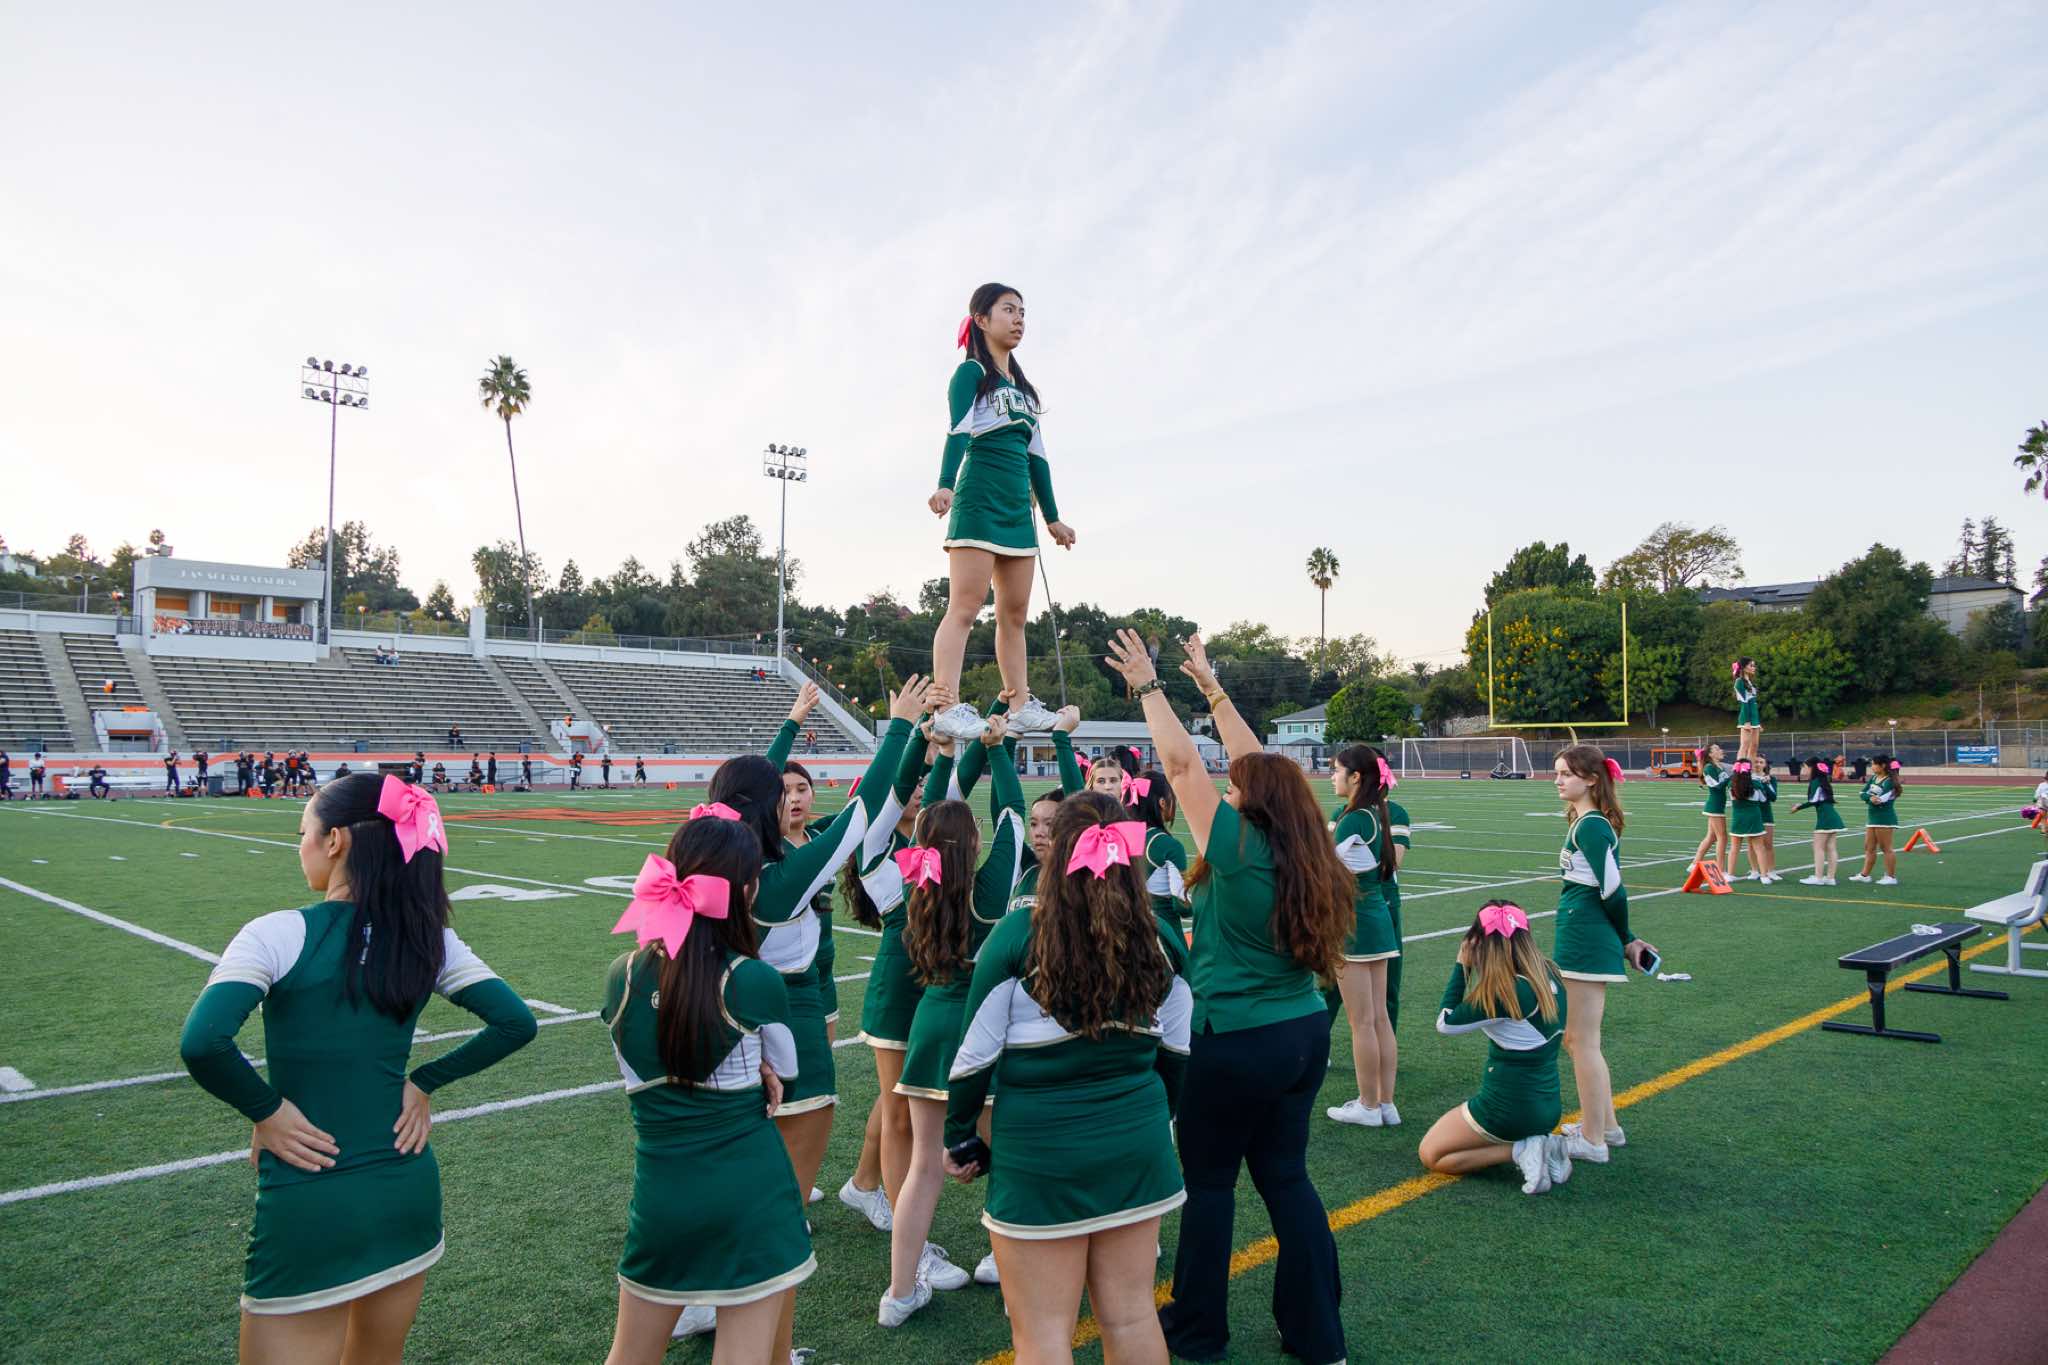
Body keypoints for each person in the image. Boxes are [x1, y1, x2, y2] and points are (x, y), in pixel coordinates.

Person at [177, 773, 536, 1363]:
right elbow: (516, 1023)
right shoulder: (430, 939)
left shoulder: (278, 932)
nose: (301, 846)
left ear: (336, 840)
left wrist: (266, 1111)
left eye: (303, 832)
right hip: (406, 1187)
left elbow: (203, 1044)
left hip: (311, 1193)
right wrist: (424, 1082)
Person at [1109, 628, 1350, 1364]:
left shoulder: (1240, 848)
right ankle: (1318, 1334)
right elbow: (1259, 769)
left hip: (1238, 1037)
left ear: (1254, 804)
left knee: (1211, 1185)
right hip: (1303, 1031)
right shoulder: (1310, 847)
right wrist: (1212, 690)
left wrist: (1151, 687)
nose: (1231, 789)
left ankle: (1199, 1330)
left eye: (1238, 789)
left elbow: (1182, 765)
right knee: (1287, 1178)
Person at [666, 680, 925, 1343]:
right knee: (781, 1208)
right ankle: (762, 1346)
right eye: (781, 792)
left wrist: (796, 725)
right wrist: (899, 727)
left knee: (739, 1181)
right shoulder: (777, 880)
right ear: (766, 807)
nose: (793, 797)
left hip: (729, 1022)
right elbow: (861, 816)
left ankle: (703, 1298)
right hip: (789, 1024)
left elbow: (753, 791)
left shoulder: (722, 853)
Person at [943, 792, 1190, 1361]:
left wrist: (960, 1136)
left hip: (1040, 1153)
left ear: (1057, 853)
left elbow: (972, 1061)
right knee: (1132, 1316)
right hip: (1137, 1145)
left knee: (1043, 1334)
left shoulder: (1015, 935)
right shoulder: (1163, 939)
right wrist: (1151, 1119)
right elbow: (1177, 1058)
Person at [600, 813, 812, 1365]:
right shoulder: (754, 979)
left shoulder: (621, 974)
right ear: (746, 891)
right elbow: (788, 1079)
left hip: (662, 1196)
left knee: (628, 1356)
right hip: (750, 1194)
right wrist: (756, 1069)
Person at [879, 709, 1021, 1327]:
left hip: (929, 1026)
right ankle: (1012, 1274)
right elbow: (1014, 817)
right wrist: (997, 749)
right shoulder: (990, 892)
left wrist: (942, 760)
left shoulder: (917, 884)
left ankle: (898, 1292)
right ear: (973, 843)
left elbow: (928, 827)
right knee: (1004, 1162)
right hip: (979, 1031)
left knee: (923, 1167)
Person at [927, 283, 1076, 743]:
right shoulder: (970, 373)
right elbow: (957, 431)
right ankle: (946, 706)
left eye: (1022, 312)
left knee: (1015, 615)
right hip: (978, 501)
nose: (1018, 319)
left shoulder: (1025, 392)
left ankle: (1019, 703)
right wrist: (946, 483)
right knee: (965, 608)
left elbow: (1038, 459)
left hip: (1017, 513)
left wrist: (1052, 518)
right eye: (1008, 310)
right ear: (981, 319)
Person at [839, 720, 939, 1238]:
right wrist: (914, 734)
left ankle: (862, 1183)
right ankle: (908, 1239)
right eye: (912, 785)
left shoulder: (924, 835)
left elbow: (949, 782)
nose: (918, 789)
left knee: (895, 1095)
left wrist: (981, 728)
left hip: (929, 981)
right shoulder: (878, 844)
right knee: (901, 1110)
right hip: (897, 988)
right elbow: (899, 784)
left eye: (923, 784)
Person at [1417, 900, 1573, 1195]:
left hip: (1507, 1109)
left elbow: (1445, 1023)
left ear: (1479, 943)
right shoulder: (1549, 972)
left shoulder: (1504, 991)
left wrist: (1463, 966)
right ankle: (1545, 1144)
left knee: (1432, 1153)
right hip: (1548, 1106)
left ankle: (1521, 1150)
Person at [1551, 743, 1658, 1167]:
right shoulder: (1585, 822)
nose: (1558, 781)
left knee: (1580, 1041)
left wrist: (1627, 939)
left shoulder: (1592, 826)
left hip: (1586, 938)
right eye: (1557, 773)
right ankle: (1606, 1126)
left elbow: (1613, 889)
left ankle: (1593, 1139)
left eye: (1566, 774)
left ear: (1592, 779)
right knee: (1579, 1039)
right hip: (1581, 934)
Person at [1325, 743, 1400, 1130]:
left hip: (1355, 924)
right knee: (1378, 1018)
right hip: (1376, 920)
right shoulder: (1374, 812)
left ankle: (1369, 1105)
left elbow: (1321, 868)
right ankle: (1385, 1103)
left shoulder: (1354, 817)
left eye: (1337, 770)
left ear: (1356, 777)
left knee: (1362, 1022)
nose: (1332, 777)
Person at [1130, 767, 1191, 936]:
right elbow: (1182, 905)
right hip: (1165, 933)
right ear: (1162, 802)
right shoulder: (1168, 845)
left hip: (1133, 931)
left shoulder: (1123, 837)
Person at [1851, 756, 1904, 885]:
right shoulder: (1874, 778)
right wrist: (1870, 798)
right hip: (1872, 817)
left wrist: (1870, 798)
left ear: (1883, 765)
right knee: (1869, 847)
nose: (1872, 767)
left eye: (1874, 764)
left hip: (1884, 818)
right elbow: (1862, 793)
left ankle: (1891, 877)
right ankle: (1865, 875)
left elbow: (1881, 799)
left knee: (1886, 848)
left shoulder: (1889, 781)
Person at [1794, 757, 1845, 885]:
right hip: (1831, 816)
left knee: (1818, 847)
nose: (1804, 769)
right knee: (1830, 847)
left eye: (1805, 767)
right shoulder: (1822, 780)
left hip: (1825, 818)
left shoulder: (1816, 781)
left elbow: (1813, 800)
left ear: (1811, 768)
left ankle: (1818, 878)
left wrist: (1798, 807)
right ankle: (1830, 878)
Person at [1691, 741, 1731, 872]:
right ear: (1710, 754)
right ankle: (1721, 869)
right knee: (1722, 838)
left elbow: (1726, 784)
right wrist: (1731, 778)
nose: (1721, 751)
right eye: (1717, 749)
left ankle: (1694, 864)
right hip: (1714, 807)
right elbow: (1716, 786)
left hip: (1719, 806)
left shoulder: (1719, 766)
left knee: (1711, 837)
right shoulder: (1709, 768)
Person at [1727, 761, 1766, 880]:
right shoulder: (1756, 784)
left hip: (1738, 818)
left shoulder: (1731, 784)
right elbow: (1763, 799)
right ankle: (1764, 876)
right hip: (1754, 818)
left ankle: (1730, 875)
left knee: (1734, 848)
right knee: (1759, 848)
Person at [1755, 756, 1780, 883]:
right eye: (1756, 762)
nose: (1758, 764)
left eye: (1761, 762)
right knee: (1752, 845)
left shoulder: (1771, 779)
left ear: (1765, 765)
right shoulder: (1749, 778)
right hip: (1752, 813)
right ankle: (1754, 870)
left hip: (1766, 814)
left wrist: (1766, 783)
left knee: (1768, 844)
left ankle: (1771, 871)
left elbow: (1773, 797)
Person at [1733, 657, 1761, 761]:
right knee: (1744, 745)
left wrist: (1758, 722)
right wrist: (1747, 721)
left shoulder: (1750, 682)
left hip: (1754, 718)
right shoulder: (1739, 681)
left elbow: (1753, 703)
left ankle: (1750, 769)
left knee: (1754, 746)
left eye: (1754, 665)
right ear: (1744, 668)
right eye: (1751, 665)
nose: (1754, 668)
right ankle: (1740, 769)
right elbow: (1744, 702)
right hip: (1746, 718)